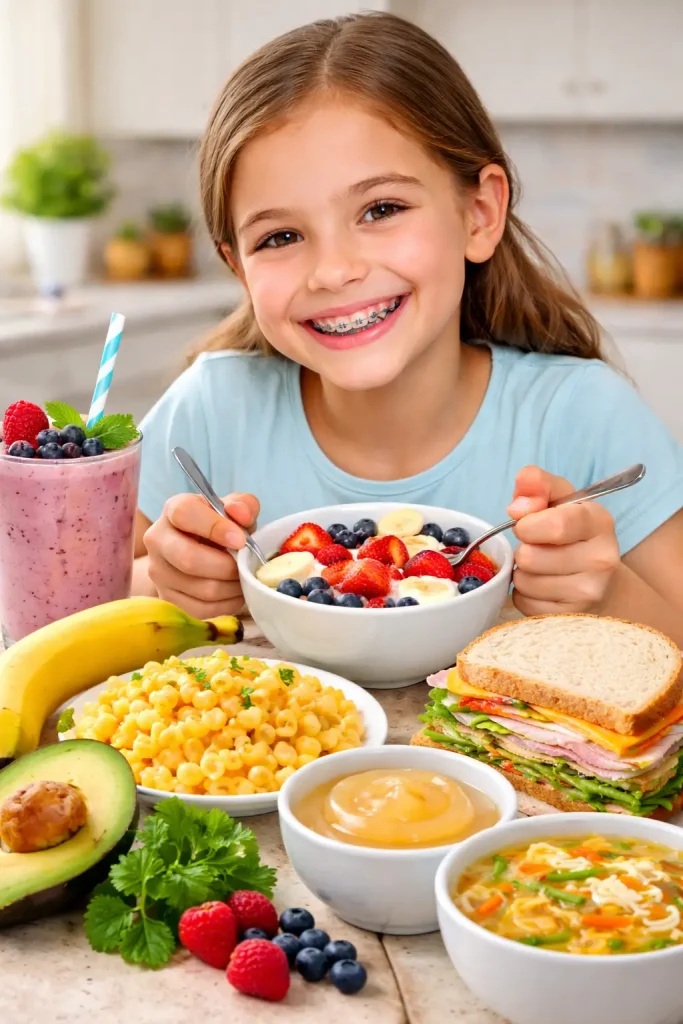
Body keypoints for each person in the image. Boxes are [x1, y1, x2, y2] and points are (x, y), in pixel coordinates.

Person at [133, 12, 683, 643]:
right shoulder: (207, 412)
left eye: (382, 209)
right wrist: (164, 580)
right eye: (280, 236)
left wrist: (608, 592)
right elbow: (71, 612)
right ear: (239, 268)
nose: (335, 271)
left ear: (479, 214)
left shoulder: (584, 414)